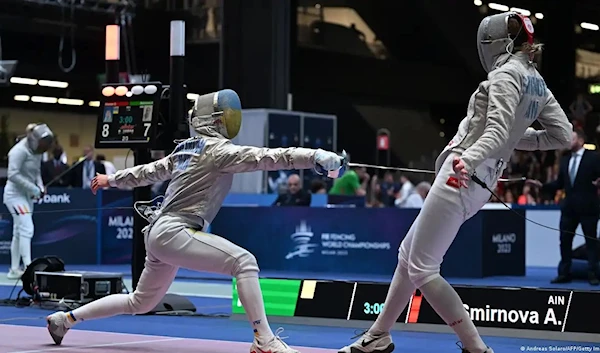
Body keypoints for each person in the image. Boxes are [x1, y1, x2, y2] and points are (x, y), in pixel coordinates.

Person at [338, 12, 571, 353]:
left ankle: (476, 347)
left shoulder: (506, 75)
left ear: (498, 45)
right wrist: (515, 138)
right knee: (408, 255)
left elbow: (496, 131)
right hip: (479, 181)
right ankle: (378, 335)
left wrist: (472, 157)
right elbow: (562, 135)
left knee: (423, 268)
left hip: (463, 174)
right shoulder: (536, 80)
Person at [46, 90, 344, 353]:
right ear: (213, 120)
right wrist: (315, 155)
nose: (230, 120)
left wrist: (111, 179)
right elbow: (271, 157)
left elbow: (147, 172)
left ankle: (65, 319)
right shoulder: (219, 152)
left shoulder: (184, 149)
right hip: (174, 230)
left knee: (140, 302)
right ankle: (264, 340)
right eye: (226, 115)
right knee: (244, 262)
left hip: (159, 232)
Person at [527, 129, 600, 285]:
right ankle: (564, 273)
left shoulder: (593, 158)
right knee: (565, 241)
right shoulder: (565, 160)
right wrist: (542, 186)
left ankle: (593, 273)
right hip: (569, 209)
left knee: (591, 242)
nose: (568, 141)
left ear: (580, 140)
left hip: (589, 208)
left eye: (571, 138)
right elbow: (560, 183)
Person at [3, 123, 54, 279]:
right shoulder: (18, 151)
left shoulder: (37, 151)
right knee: (27, 228)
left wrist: (40, 186)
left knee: (19, 232)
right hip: (14, 196)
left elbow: (37, 172)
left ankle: (14, 270)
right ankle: (28, 268)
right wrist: (33, 189)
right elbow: (12, 175)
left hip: (26, 196)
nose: (43, 148)